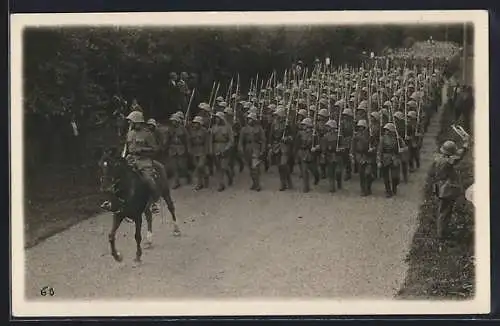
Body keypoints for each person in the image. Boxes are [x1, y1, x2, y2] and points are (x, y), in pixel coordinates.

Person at [124, 111, 161, 213]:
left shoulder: (147, 134)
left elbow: (155, 148)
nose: (130, 124)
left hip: (144, 160)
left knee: (149, 180)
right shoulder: (129, 133)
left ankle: (155, 202)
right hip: (131, 159)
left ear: (138, 122)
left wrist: (142, 150)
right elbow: (127, 147)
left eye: (132, 122)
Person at [432, 137, 469, 239]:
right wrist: (465, 146)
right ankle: (441, 234)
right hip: (446, 189)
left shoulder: (438, 159)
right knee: (445, 212)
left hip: (440, 187)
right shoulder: (447, 162)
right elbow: (458, 157)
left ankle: (442, 232)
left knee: (443, 211)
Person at [238, 112, 266, 191]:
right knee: (250, 168)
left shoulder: (259, 128)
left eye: (251, 119)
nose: (249, 120)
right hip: (247, 148)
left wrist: (262, 150)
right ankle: (254, 183)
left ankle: (258, 184)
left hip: (256, 148)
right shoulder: (244, 129)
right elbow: (241, 141)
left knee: (255, 167)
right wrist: (240, 149)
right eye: (248, 119)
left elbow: (263, 140)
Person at [268, 107, 294, 191]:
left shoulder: (288, 124)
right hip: (276, 145)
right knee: (279, 166)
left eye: (277, 115)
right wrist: (270, 144)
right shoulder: (274, 123)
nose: (276, 116)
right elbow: (271, 135)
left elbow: (292, 136)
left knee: (283, 164)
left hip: (285, 146)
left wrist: (286, 138)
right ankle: (283, 182)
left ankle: (287, 181)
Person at [377, 122, 403, 197]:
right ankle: (388, 190)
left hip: (395, 157)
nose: (386, 131)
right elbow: (379, 150)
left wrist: (402, 150)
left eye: (388, 130)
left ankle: (394, 187)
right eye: (385, 130)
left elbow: (404, 147)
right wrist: (379, 160)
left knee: (395, 176)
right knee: (386, 177)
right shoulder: (383, 138)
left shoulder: (398, 138)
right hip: (385, 158)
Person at [210, 111, 234, 191]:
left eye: (218, 118)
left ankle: (227, 178)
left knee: (224, 167)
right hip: (216, 147)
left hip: (225, 146)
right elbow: (211, 139)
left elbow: (231, 140)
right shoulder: (213, 127)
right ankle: (221, 183)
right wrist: (210, 149)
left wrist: (227, 148)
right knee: (218, 167)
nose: (216, 119)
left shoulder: (228, 127)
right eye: (216, 118)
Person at [295, 117, 319, 193]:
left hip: (311, 154)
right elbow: (297, 143)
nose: (303, 126)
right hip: (303, 153)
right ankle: (306, 187)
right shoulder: (300, 133)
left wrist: (315, 148)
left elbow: (318, 144)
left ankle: (317, 177)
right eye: (303, 125)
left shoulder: (314, 134)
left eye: (304, 124)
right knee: (304, 170)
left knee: (314, 170)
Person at [167, 113, 191, 189]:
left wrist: (188, 148)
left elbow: (187, 138)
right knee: (175, 167)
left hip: (181, 148)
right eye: (172, 121)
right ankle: (176, 182)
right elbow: (167, 139)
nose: (173, 122)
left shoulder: (182, 128)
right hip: (173, 148)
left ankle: (187, 175)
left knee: (182, 166)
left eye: (174, 121)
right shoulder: (170, 129)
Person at [352, 119, 373, 196]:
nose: (360, 128)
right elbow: (353, 146)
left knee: (368, 173)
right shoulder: (356, 136)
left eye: (362, 127)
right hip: (359, 156)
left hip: (368, 155)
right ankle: (363, 189)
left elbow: (373, 144)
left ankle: (368, 187)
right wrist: (352, 154)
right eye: (359, 127)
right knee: (361, 174)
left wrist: (372, 148)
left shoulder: (370, 135)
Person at [320, 119, 342, 193]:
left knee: (338, 171)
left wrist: (341, 149)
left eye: (328, 127)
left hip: (338, 156)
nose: (327, 128)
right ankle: (332, 187)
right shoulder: (325, 136)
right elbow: (323, 147)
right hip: (329, 155)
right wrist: (323, 154)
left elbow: (344, 145)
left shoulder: (339, 136)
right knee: (331, 172)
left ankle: (339, 182)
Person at [189, 115, 210, 190]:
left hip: (202, 150)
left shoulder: (204, 131)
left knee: (200, 166)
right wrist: (190, 150)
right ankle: (200, 183)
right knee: (197, 167)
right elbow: (190, 141)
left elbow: (207, 142)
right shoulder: (192, 131)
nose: (195, 124)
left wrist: (206, 151)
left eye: (197, 123)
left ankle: (206, 176)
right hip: (195, 150)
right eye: (194, 123)